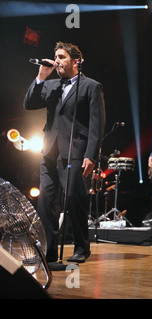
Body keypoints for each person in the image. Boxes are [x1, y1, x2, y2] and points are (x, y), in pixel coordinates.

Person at [24, 42, 106, 266]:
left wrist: (91, 155)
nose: (57, 61)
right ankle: (48, 253)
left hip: (76, 153)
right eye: (55, 57)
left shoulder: (91, 86)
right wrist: (41, 76)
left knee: (73, 199)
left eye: (61, 57)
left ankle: (82, 247)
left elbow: (96, 124)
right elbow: (29, 103)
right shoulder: (51, 86)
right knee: (46, 202)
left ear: (76, 61)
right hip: (49, 152)